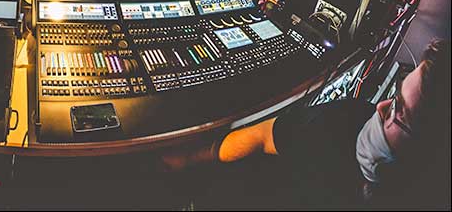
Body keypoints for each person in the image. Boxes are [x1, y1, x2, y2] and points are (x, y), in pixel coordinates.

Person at [165, 38, 450, 208]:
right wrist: (189, 159)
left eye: (399, 110)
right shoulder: (342, 120)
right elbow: (262, 136)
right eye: (394, 95)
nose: (381, 106)